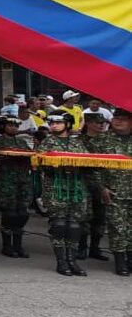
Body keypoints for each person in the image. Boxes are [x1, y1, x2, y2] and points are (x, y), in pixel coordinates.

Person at [37, 112, 90, 276]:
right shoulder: (47, 142)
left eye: (58, 122)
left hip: (76, 189)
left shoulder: (77, 143)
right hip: (56, 188)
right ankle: (61, 261)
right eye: (51, 123)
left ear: (67, 124)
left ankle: (72, 260)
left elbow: (88, 161)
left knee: (74, 225)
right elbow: (39, 162)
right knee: (59, 225)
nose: (53, 125)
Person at [0, 115, 34, 258]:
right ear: (3, 126)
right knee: (9, 214)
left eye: (15, 125)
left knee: (22, 213)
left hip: (23, 182)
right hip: (6, 182)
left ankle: (18, 245)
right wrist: (6, 158)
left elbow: (31, 158)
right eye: (10, 125)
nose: (13, 127)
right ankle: (7, 246)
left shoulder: (22, 142)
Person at [95, 108, 132, 276]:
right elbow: (94, 166)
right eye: (116, 117)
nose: (118, 121)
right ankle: (120, 262)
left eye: (123, 118)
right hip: (114, 191)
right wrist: (102, 187)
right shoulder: (103, 139)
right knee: (117, 227)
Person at [81, 111, 115, 261]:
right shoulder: (79, 141)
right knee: (84, 217)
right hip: (85, 182)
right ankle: (81, 247)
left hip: (102, 182)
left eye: (104, 123)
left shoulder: (107, 140)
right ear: (88, 123)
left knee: (100, 218)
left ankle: (95, 248)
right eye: (98, 122)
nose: (102, 125)